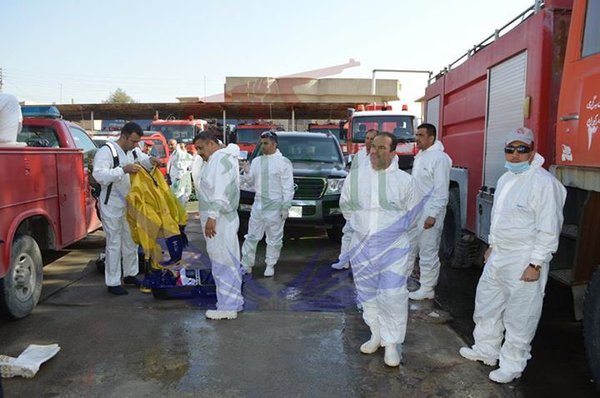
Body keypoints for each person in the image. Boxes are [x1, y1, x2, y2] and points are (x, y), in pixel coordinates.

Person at [459, 127, 566, 383]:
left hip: (524, 257)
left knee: (520, 315)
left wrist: (536, 263)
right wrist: (492, 245)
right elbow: (499, 218)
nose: (515, 155)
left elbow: (549, 228)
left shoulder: (544, 184)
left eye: (522, 149)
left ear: (532, 151)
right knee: (487, 304)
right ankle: (486, 349)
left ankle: (512, 365)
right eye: (510, 149)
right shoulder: (506, 179)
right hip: (499, 256)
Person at [340, 132, 422, 367]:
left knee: (393, 295)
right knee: (367, 293)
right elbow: (346, 206)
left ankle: (392, 343)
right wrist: (362, 226)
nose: (375, 152)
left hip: (393, 248)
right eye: (373, 147)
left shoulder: (405, 181)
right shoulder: (355, 178)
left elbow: (413, 215)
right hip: (362, 246)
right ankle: (376, 333)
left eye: (382, 148)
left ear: (393, 152)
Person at [92, 122, 159, 295]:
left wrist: (151, 161)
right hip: (111, 204)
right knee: (114, 242)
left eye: (138, 142)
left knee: (131, 240)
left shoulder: (133, 151)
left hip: (129, 203)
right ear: (123, 136)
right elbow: (99, 175)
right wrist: (123, 170)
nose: (136, 145)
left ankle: (130, 274)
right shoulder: (106, 151)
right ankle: (113, 282)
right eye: (134, 141)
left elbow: (143, 160)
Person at [193, 132, 243, 320]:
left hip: (219, 219)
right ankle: (234, 302)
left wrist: (212, 217)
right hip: (224, 218)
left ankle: (227, 307)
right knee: (229, 260)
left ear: (212, 144)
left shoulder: (218, 160)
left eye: (201, 148)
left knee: (222, 261)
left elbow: (220, 191)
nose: (199, 153)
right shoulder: (223, 158)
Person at [408, 123, 452, 300]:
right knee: (410, 248)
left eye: (420, 135)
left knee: (428, 251)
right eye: (416, 134)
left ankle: (427, 288)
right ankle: (401, 282)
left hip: (429, 214)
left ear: (431, 138)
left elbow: (441, 190)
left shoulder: (439, 159)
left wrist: (432, 215)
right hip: (415, 212)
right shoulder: (420, 156)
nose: (417, 138)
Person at [240, 131, 294, 277]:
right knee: (251, 236)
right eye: (261, 143)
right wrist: (246, 172)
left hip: (275, 207)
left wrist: (285, 206)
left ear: (274, 144)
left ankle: (270, 265)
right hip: (258, 205)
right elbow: (251, 183)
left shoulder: (283, 163)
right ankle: (246, 264)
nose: (263, 146)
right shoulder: (257, 161)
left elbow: (287, 187)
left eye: (266, 143)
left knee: (274, 239)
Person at [331, 128, 378, 270]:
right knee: (349, 231)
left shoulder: (381, 156)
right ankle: (343, 261)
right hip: (357, 200)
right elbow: (353, 177)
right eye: (367, 138)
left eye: (372, 139)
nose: (368, 141)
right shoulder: (360, 155)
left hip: (372, 202)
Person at [167, 141, 194, 205]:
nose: (170, 146)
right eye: (169, 145)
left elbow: (189, 167)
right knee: (178, 195)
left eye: (172, 145)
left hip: (181, 177)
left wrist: (179, 178)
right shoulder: (173, 155)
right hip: (175, 178)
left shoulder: (182, 154)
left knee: (183, 195)